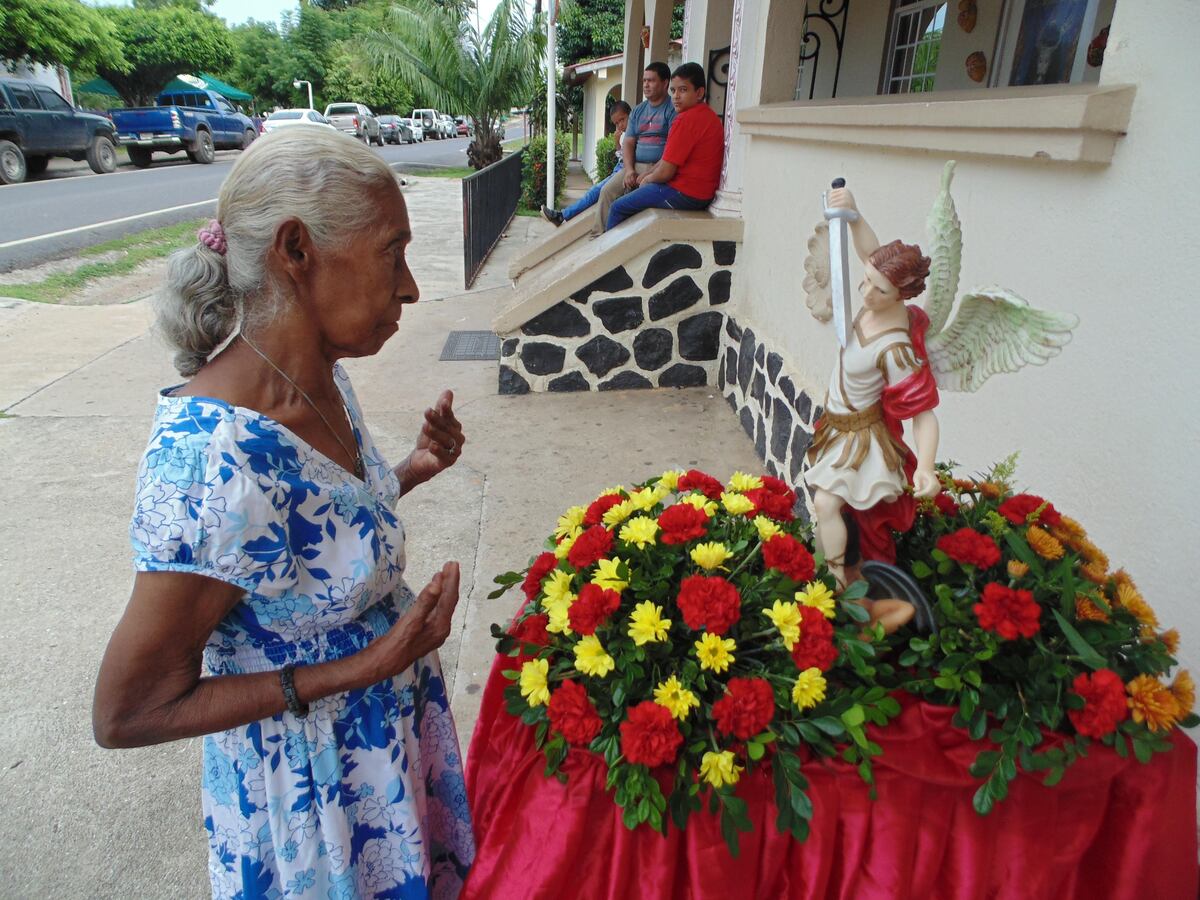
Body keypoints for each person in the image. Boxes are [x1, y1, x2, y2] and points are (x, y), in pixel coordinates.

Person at [91, 128, 475, 899]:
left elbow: (303, 543)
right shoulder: (211, 460)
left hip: (382, 760)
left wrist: (406, 473)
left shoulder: (320, 376)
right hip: (314, 804)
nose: (410, 289)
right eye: (391, 253)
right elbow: (127, 712)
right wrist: (365, 666)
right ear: (296, 251)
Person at [803, 185, 941, 633]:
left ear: (901, 295)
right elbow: (872, 251)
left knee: (827, 503)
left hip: (862, 440)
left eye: (878, 290)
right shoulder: (870, 298)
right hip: (836, 428)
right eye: (866, 282)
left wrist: (928, 467)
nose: (865, 294)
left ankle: (838, 584)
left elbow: (922, 411)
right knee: (826, 508)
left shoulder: (896, 347)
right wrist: (855, 214)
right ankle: (837, 570)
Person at [605, 62, 724, 231]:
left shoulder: (684, 120)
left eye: (683, 90)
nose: (676, 96)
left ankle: (611, 255)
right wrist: (647, 174)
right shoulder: (708, 115)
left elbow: (666, 171)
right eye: (674, 91)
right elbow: (667, 160)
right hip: (701, 193)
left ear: (699, 93)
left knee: (618, 207)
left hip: (686, 193)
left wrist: (647, 179)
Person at [593, 62, 676, 233]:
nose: (646, 84)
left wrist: (650, 173)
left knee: (638, 198)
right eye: (644, 80)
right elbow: (629, 142)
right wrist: (630, 170)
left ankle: (623, 239)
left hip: (659, 167)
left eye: (651, 81)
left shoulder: (672, 109)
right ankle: (597, 237)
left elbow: (672, 147)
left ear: (665, 83)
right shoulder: (638, 111)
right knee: (606, 191)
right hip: (635, 164)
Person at [541, 100, 631, 227]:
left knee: (595, 191)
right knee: (593, 192)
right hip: (618, 170)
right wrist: (617, 144)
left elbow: (627, 161)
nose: (620, 125)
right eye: (616, 123)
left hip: (623, 172)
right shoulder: (626, 134)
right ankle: (563, 215)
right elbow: (621, 158)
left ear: (630, 115)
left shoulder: (635, 134)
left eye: (622, 120)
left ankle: (562, 216)